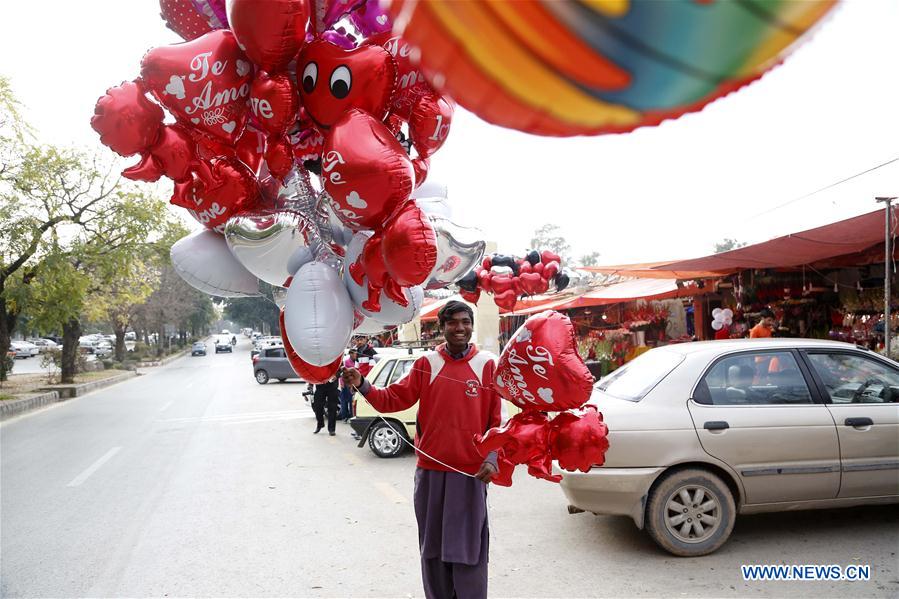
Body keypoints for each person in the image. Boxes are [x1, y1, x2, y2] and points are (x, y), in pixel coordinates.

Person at [343, 300, 500, 599]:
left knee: (469, 549)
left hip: (470, 475)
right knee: (433, 549)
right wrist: (362, 384)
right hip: (430, 475)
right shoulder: (427, 364)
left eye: (465, 321)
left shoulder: (486, 365)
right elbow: (393, 399)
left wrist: (493, 458)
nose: (460, 328)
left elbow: (497, 420)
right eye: (452, 322)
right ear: (441, 328)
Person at [338, 348, 358, 422]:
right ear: (351, 354)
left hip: (354, 383)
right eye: (354, 353)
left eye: (356, 353)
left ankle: (351, 416)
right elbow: (342, 373)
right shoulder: (346, 362)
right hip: (347, 384)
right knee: (346, 400)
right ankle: (345, 416)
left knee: (352, 400)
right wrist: (342, 383)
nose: (356, 355)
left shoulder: (357, 361)